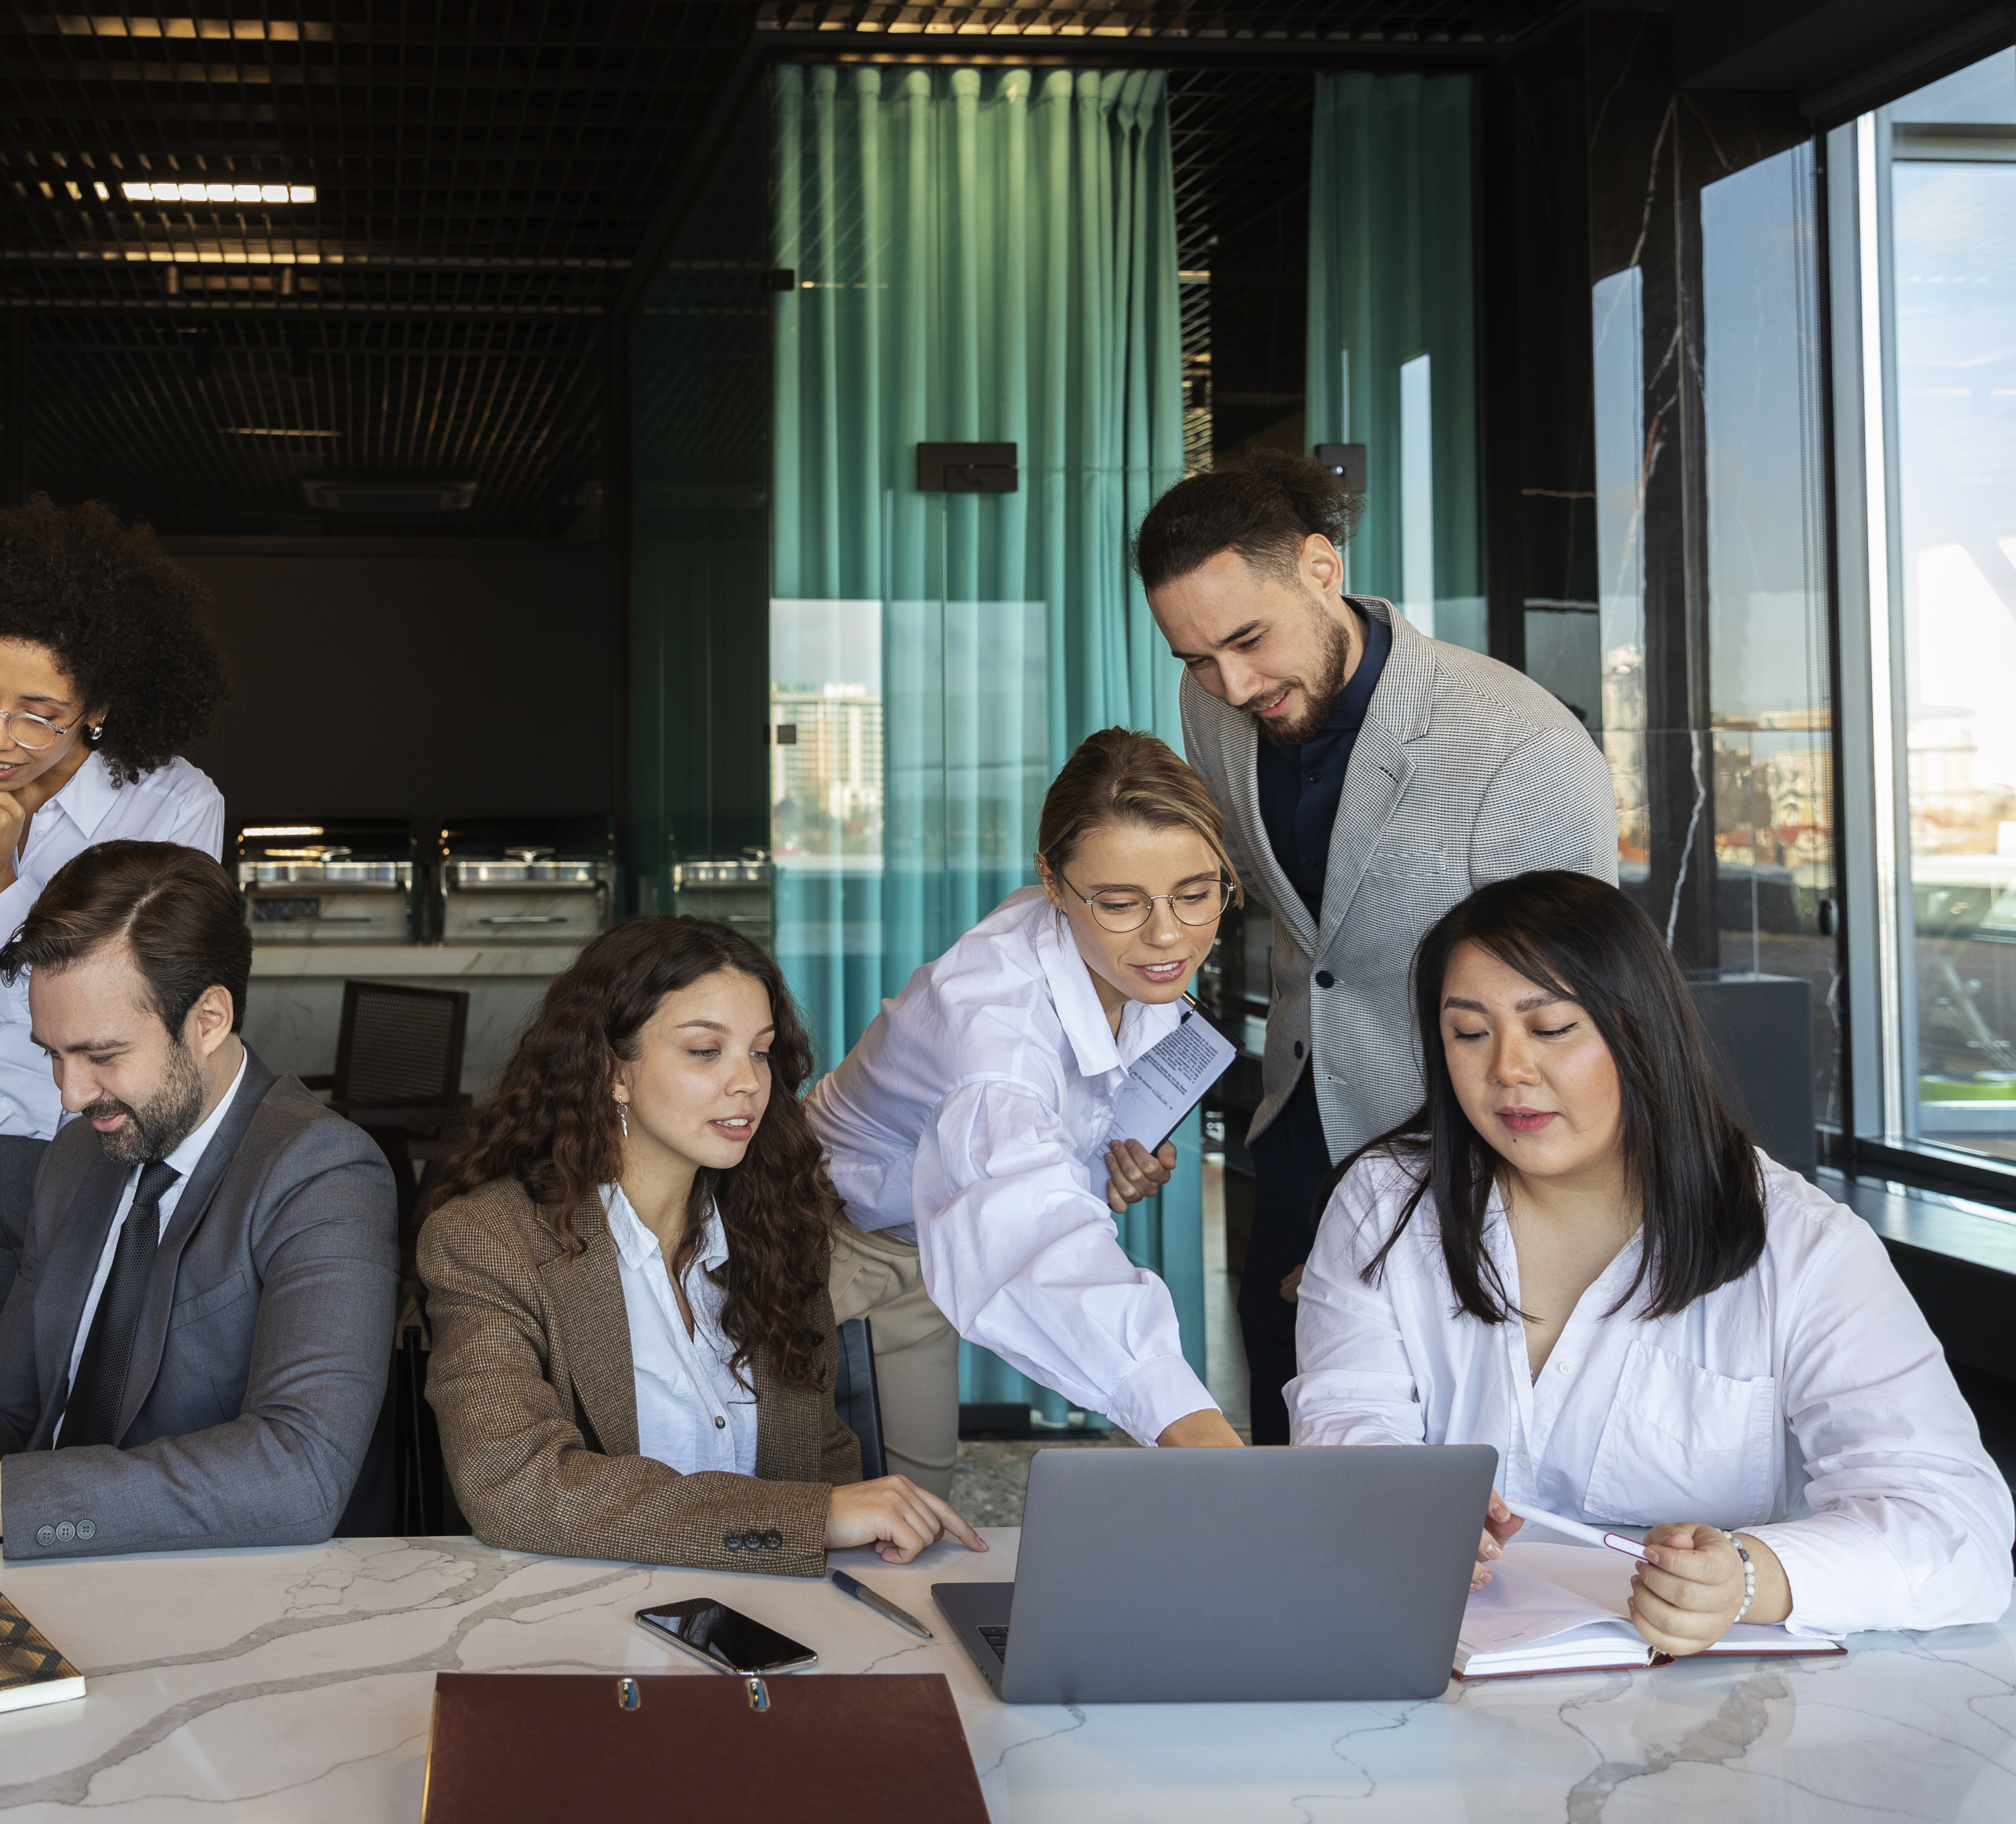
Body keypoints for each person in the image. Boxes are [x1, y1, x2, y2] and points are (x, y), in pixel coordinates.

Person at [1293, 872, 2013, 1646]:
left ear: (1639, 1029)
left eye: (1551, 1028)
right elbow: (1345, 1417)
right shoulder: (1385, 1204)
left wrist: (1751, 1577)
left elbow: (1956, 1528)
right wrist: (1405, 1504)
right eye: (1469, 1033)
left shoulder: (1802, 1247)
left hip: (1706, 1698)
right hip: (1438, 1665)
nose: (1507, 1069)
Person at [1138, 449, 1615, 1442]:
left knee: (1424, 1467)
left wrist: (1417, 1222)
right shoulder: (1213, 706)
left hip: (1457, 1161)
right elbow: (1253, 904)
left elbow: (1583, 1018)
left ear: (1322, 568)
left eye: (1248, 640)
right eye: (1197, 658)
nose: (1231, 683)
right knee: (1289, 1417)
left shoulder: (1519, 744)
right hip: (1294, 1133)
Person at [0, 841, 395, 1553]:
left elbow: (299, 1473)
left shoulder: (321, 1173)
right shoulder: (77, 1156)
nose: (68, 1096)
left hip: (219, 1592)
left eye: (102, 1056)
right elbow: (7, 1404)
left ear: (209, 1020)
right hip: (47, 1568)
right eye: (53, 1054)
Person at [417, 916, 981, 1576]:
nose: (748, 1082)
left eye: (760, 1051)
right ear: (611, 1071)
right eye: (705, 1051)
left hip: (774, 1613)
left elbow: (822, 1458)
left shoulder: (777, 1227)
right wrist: (810, 1518)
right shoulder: (489, 1241)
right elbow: (515, 1487)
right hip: (575, 1616)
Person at [0, 496, 230, 1356]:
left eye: (37, 712)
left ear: (98, 701)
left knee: (92, 1383)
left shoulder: (175, 805)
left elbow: (144, 1014)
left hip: (98, 1145)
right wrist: (57, 1065)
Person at [808, 729, 1244, 1453]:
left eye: (1196, 894)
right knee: (811, 1498)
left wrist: (1096, 1159)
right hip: (828, 1245)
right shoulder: (993, 1038)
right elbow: (1032, 1236)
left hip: (933, 1244)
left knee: (919, 1491)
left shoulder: (1109, 951)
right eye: (1121, 903)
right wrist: (1191, 1427)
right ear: (1051, 881)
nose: (1169, 936)